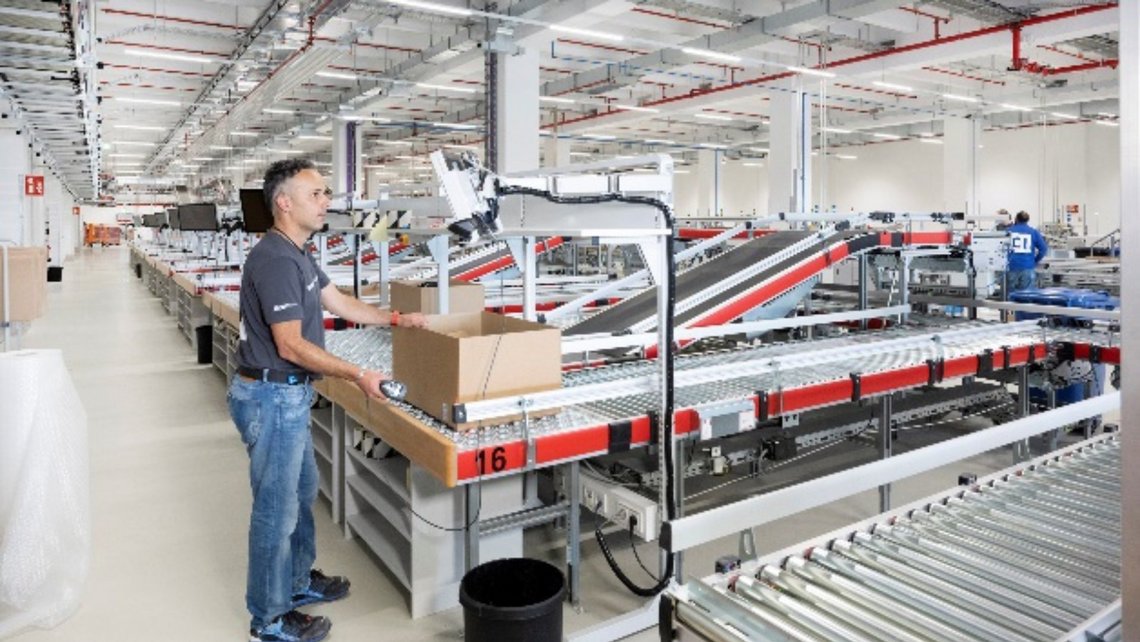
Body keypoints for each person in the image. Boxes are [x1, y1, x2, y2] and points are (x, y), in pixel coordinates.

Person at [229, 159, 427, 642]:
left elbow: (339, 303)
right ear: (284, 202)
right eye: (316, 194)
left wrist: (396, 320)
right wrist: (360, 374)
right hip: (272, 396)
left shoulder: (297, 252)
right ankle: (270, 620)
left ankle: (296, 584)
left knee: (299, 495)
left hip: (289, 395)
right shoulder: (275, 259)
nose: (327, 202)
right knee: (276, 510)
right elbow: (291, 345)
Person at [1006, 210, 1048, 292]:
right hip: (1027, 267)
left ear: (1016, 219)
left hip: (1011, 267)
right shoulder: (1033, 232)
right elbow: (1043, 249)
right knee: (1026, 297)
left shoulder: (1008, 231)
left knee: (1010, 297)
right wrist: (1035, 261)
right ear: (1027, 220)